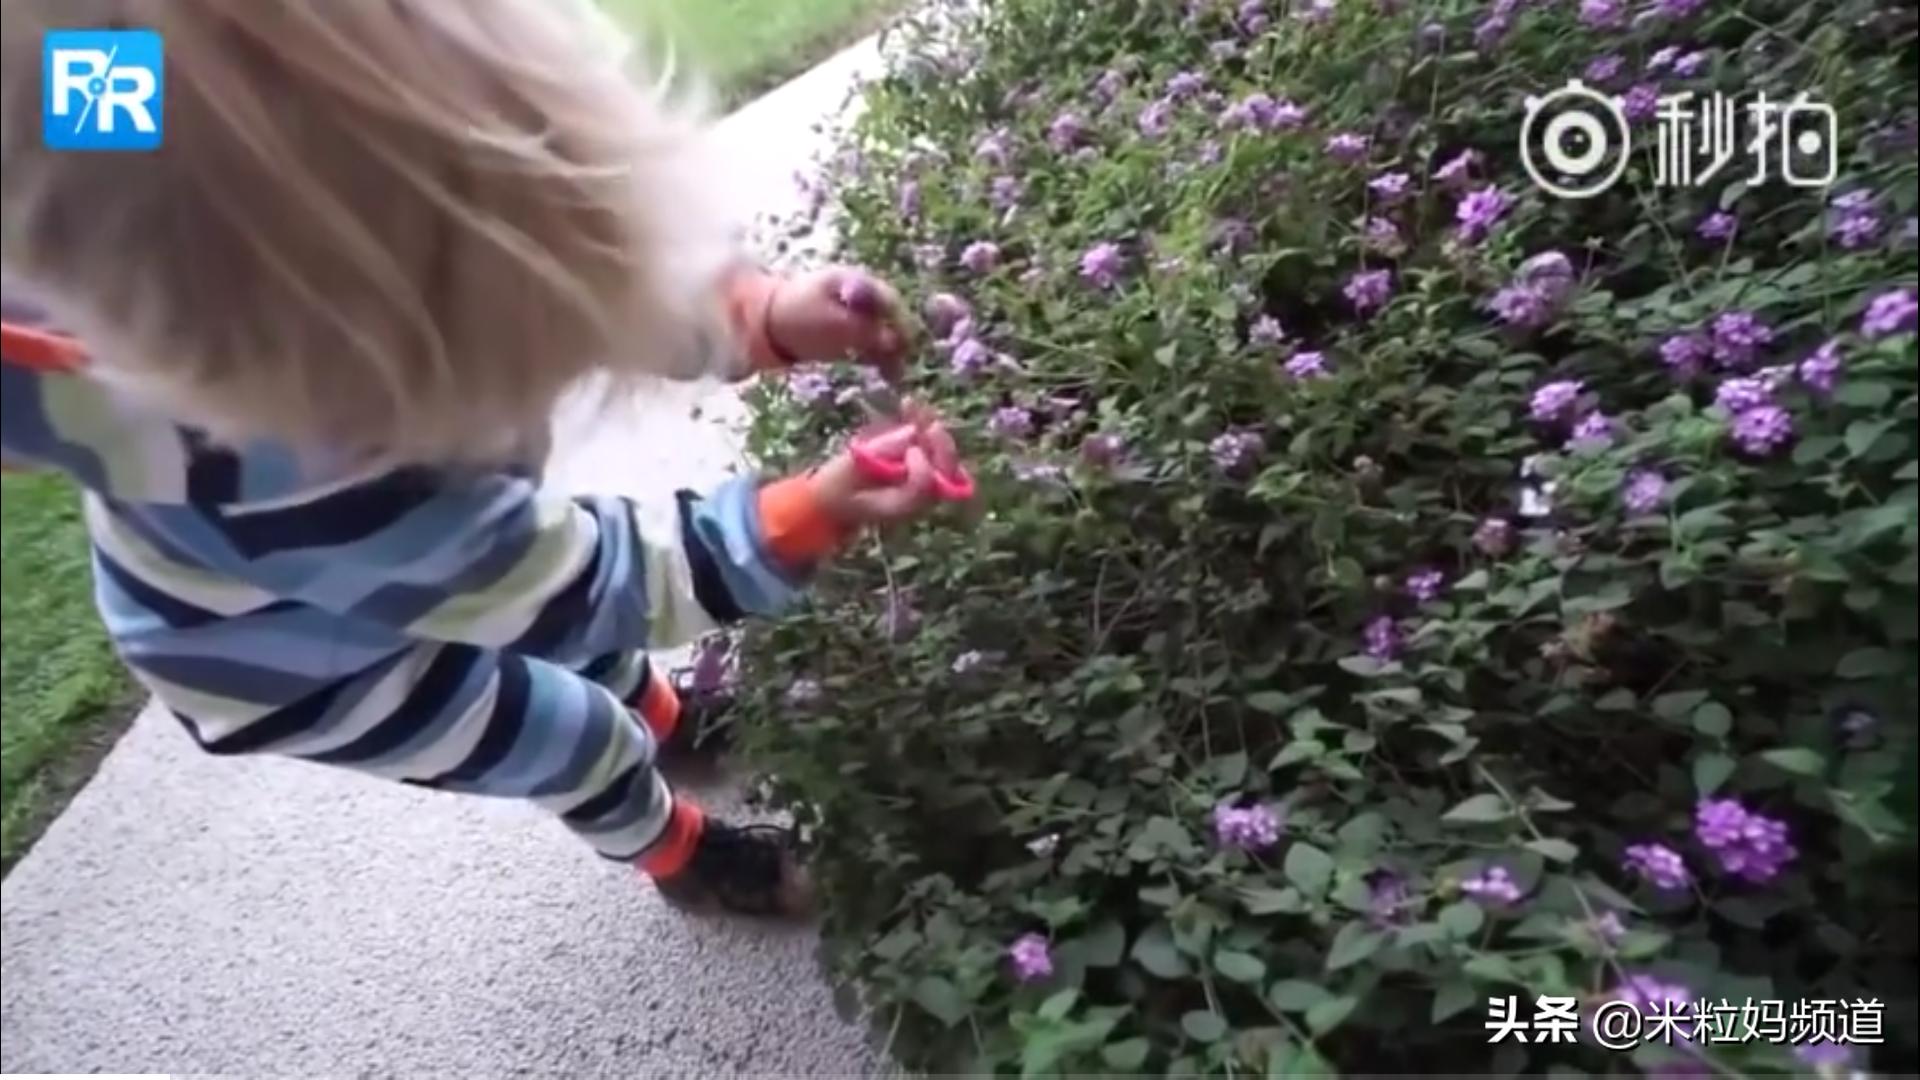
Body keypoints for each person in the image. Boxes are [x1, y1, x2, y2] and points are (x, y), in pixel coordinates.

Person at [0, 0, 949, 917]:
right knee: (566, 736)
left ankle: (669, 718)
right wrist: (796, 518)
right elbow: (580, 582)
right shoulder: (295, 481)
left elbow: (77, 71)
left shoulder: (109, 111)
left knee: (589, 654)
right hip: (291, 668)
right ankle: (682, 855)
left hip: (374, 531)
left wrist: (759, 316)